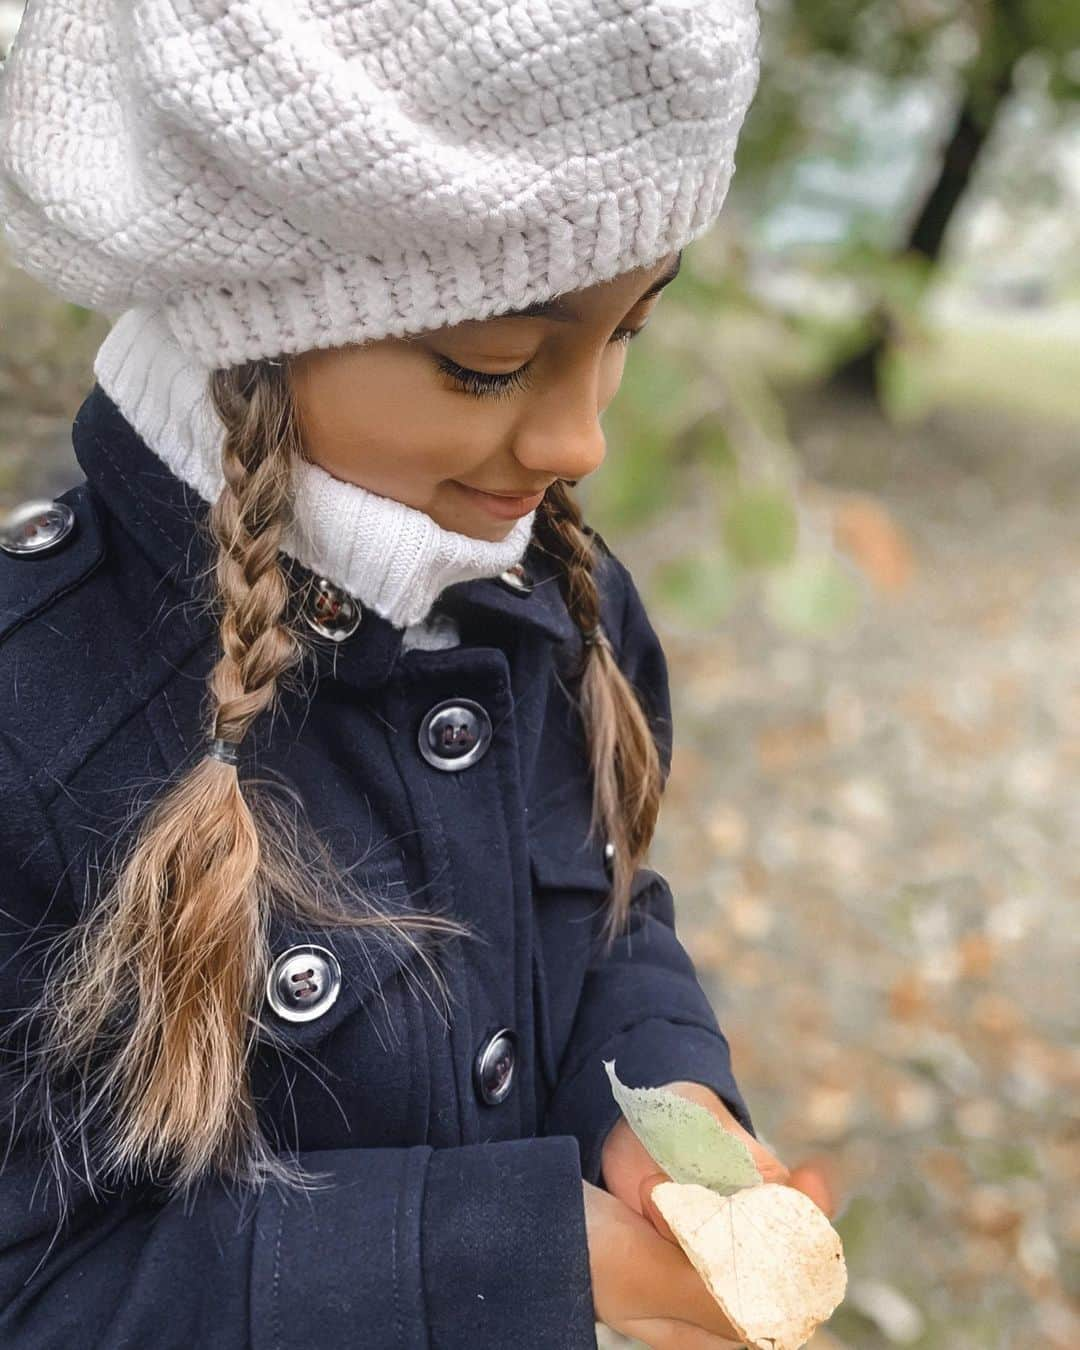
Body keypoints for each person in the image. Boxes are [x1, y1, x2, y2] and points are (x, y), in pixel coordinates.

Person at [0, 2, 835, 1346]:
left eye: (629, 329)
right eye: (490, 362)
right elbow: (42, 1282)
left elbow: (596, 912)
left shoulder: (557, 597)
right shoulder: (39, 718)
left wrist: (663, 1105)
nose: (581, 439)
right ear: (255, 311)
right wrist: (515, 1250)